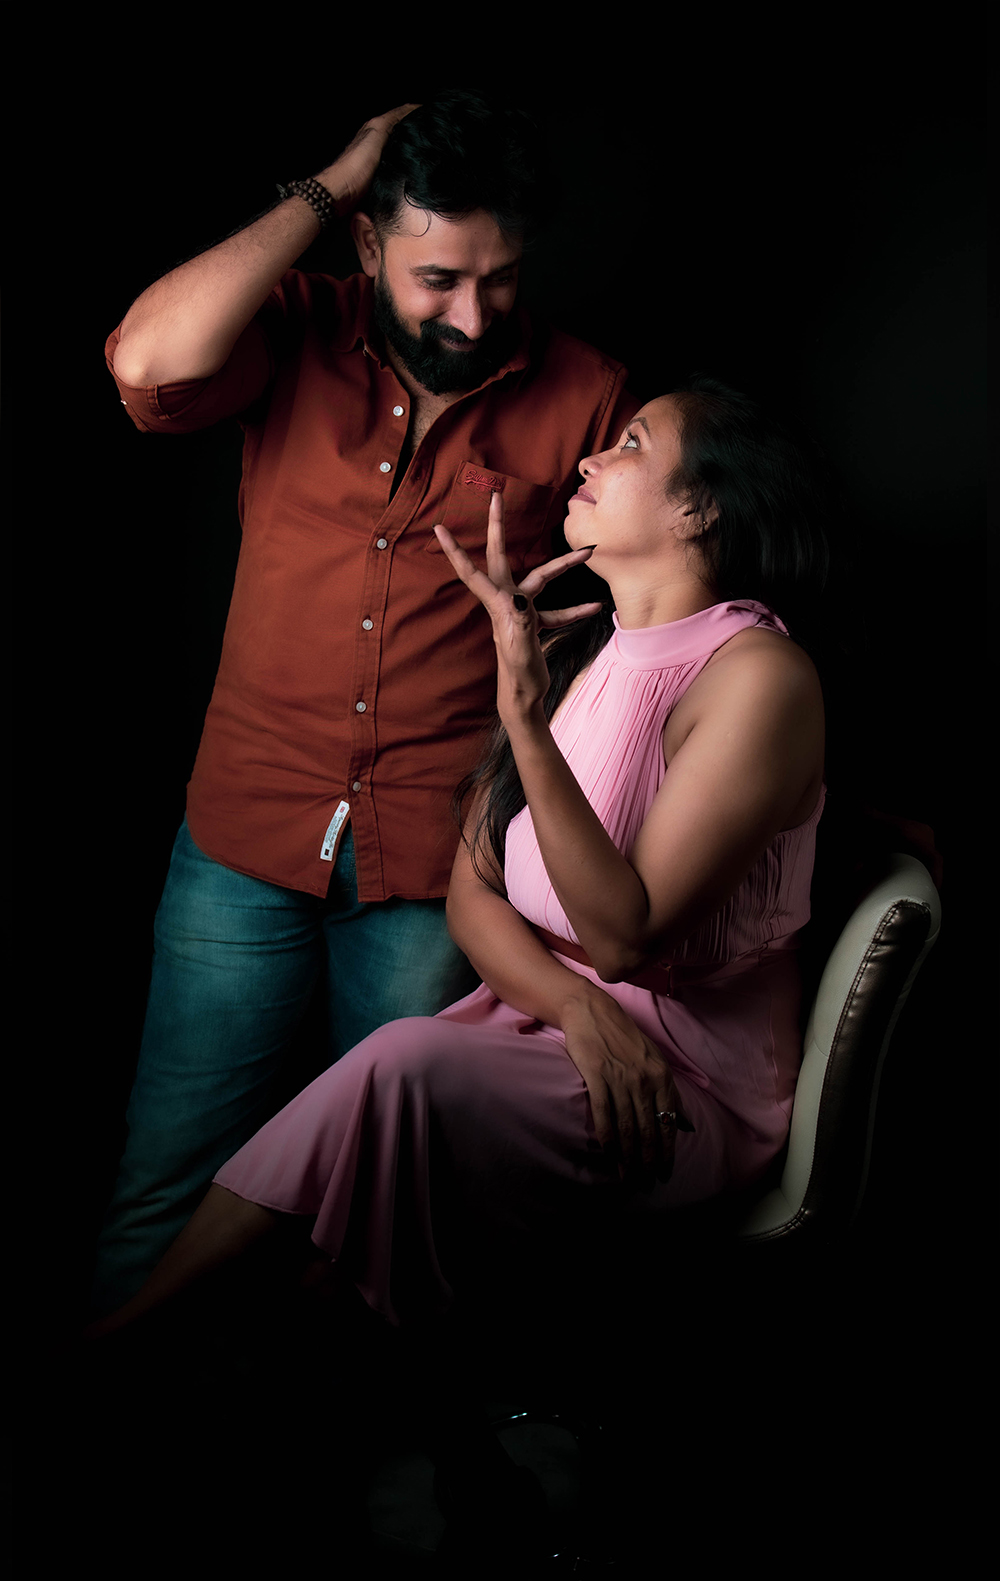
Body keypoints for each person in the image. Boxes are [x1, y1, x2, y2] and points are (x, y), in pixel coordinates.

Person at [89, 375, 829, 1345]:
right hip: (550, 1026)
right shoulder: (582, 646)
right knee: (366, 1161)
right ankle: (163, 1351)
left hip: (674, 1085)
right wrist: (574, 1008)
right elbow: (474, 893)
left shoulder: (758, 675)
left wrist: (522, 716)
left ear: (701, 509)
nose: (591, 458)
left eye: (633, 445)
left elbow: (622, 936)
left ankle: (130, 1348)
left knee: (400, 1071)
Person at [94, 92, 637, 1313]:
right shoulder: (292, 324)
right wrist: (333, 178)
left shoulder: (590, 394)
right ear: (366, 242)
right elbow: (144, 365)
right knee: (166, 1182)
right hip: (240, 840)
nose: (473, 315)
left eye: (500, 279)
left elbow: (657, 626)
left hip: (436, 875)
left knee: (388, 1202)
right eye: (437, 277)